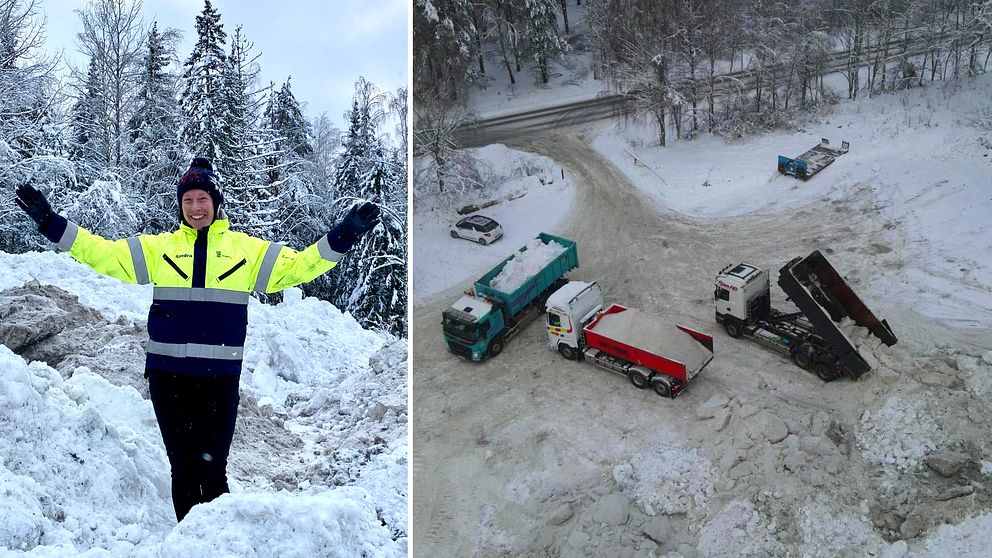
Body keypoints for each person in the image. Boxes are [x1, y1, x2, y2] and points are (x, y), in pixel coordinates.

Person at [14, 157, 380, 522]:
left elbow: (298, 265)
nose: (195, 207)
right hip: (167, 377)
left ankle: (218, 540)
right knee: (183, 468)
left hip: (218, 379)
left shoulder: (245, 251)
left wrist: (342, 237)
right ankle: (189, 540)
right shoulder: (161, 249)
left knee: (212, 470)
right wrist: (51, 223)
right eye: (187, 200)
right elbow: (103, 254)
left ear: (216, 203)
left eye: (202, 198)